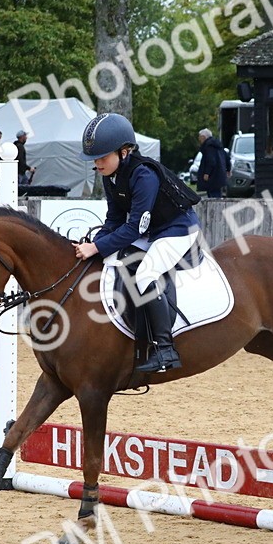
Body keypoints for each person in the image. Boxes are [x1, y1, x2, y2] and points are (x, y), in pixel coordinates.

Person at [74, 113, 201, 374]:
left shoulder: (144, 175)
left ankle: (165, 349)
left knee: (145, 274)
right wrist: (95, 244)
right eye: (94, 159)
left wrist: (97, 247)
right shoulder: (110, 176)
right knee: (111, 261)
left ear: (124, 151)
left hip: (177, 230)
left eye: (102, 157)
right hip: (152, 231)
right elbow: (114, 219)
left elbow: (135, 227)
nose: (97, 163)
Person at [196, 128, 228, 198]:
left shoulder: (208, 147)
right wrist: (228, 169)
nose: (199, 139)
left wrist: (207, 173)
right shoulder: (218, 145)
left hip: (213, 176)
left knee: (213, 195)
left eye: (199, 137)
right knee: (217, 194)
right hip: (219, 174)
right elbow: (227, 157)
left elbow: (211, 161)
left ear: (203, 137)